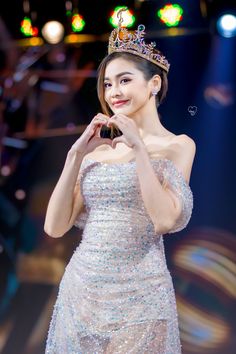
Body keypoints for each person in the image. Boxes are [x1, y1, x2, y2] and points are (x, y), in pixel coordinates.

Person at [44, 9, 196, 354]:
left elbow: (165, 220)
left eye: (125, 80)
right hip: (82, 289)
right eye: (108, 84)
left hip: (143, 293)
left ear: (153, 84)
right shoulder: (97, 154)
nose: (114, 92)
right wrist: (75, 156)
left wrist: (140, 149)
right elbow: (54, 227)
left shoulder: (177, 146)